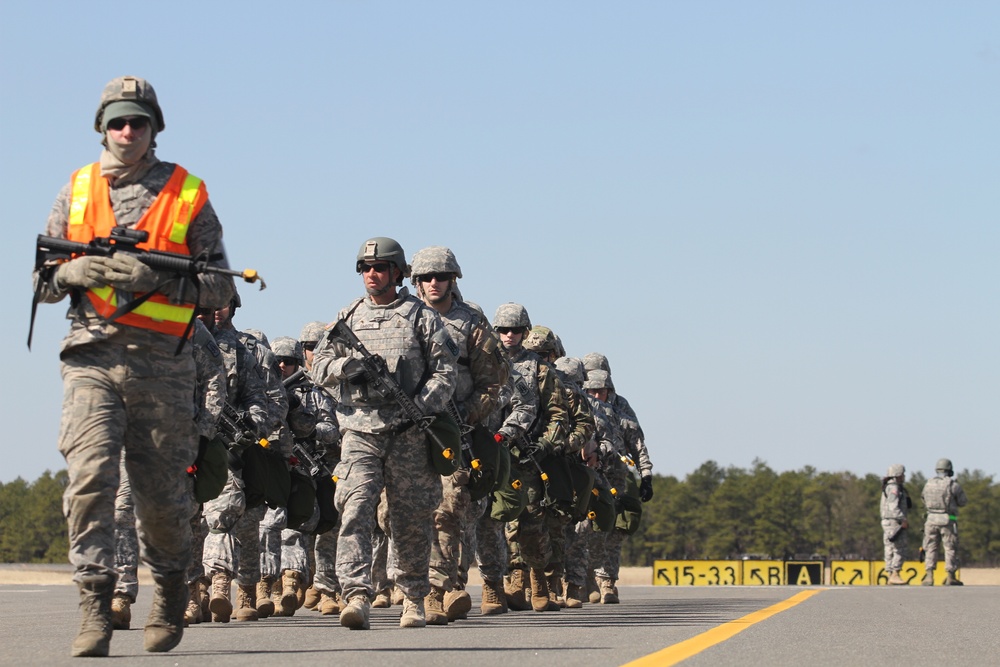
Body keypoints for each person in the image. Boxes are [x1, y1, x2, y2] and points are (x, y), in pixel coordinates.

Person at [32, 76, 234, 657]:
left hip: (162, 367)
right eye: (117, 122)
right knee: (90, 480)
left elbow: (219, 286)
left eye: (138, 122)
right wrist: (70, 274)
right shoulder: (74, 191)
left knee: (160, 495)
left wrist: (161, 277)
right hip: (91, 359)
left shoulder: (187, 192)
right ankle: (94, 608)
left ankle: (170, 591)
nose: (127, 132)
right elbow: (42, 280)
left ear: (154, 129)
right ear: (102, 127)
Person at [311, 237, 458, 629]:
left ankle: (413, 597)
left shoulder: (420, 316)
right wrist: (347, 369)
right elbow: (319, 366)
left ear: (396, 272)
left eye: (379, 268)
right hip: (359, 430)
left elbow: (446, 372)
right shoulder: (349, 316)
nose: (371, 275)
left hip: (408, 432)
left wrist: (421, 407)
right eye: (365, 268)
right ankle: (355, 595)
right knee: (355, 508)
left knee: (408, 518)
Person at [410, 246, 509, 623]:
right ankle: (423, 583)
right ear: (416, 281)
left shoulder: (472, 323)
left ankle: (439, 590)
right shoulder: (403, 317)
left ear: (453, 280)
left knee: (449, 510)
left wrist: (467, 415)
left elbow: (492, 382)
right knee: (393, 514)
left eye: (441, 277)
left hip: (455, 429)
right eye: (426, 277)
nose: (434, 283)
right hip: (405, 430)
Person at [921, 458, 968, 586]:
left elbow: (923, 499)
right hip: (947, 520)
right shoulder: (953, 485)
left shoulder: (928, 484)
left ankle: (929, 576)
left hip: (930, 519)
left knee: (930, 547)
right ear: (950, 470)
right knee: (950, 547)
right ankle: (950, 576)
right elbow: (963, 501)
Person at [879, 464, 911, 585]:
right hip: (894, 521)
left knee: (889, 548)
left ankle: (890, 573)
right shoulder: (894, 489)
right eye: (902, 474)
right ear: (898, 475)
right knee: (900, 548)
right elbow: (893, 506)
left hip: (887, 521)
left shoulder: (887, 487)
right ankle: (895, 573)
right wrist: (903, 520)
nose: (904, 476)